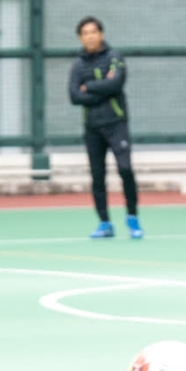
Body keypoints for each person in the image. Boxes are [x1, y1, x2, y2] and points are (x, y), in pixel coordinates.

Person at [68, 16, 143, 239]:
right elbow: (74, 96)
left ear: (101, 34)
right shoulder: (78, 65)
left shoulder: (114, 58)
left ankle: (132, 217)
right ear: (80, 38)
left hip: (116, 124)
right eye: (85, 33)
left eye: (93, 32)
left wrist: (89, 87)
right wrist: (103, 89)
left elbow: (116, 83)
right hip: (92, 128)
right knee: (97, 176)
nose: (90, 37)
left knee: (125, 169)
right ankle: (104, 223)